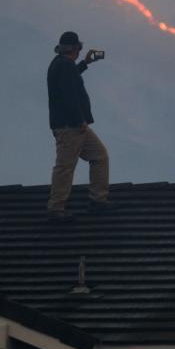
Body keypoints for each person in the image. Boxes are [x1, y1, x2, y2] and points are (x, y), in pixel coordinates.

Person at [46, 31, 115, 221]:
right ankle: (56, 207)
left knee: (99, 156)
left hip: (74, 126)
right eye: (79, 48)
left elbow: (70, 80)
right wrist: (79, 120)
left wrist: (85, 63)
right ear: (74, 49)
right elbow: (69, 96)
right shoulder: (64, 66)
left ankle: (98, 199)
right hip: (72, 127)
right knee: (65, 167)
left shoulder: (61, 65)